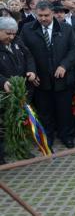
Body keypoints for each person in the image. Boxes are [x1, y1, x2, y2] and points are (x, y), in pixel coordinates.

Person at [20, 1, 75, 149]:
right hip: (40, 79)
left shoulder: (66, 29)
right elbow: (24, 53)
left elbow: (74, 49)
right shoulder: (27, 30)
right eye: (40, 15)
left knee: (64, 110)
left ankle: (66, 136)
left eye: (46, 15)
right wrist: (32, 71)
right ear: (35, 13)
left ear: (52, 13)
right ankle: (48, 137)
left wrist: (64, 65)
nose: (43, 18)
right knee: (45, 111)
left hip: (62, 78)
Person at [0, 17, 37, 163]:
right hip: (4, 93)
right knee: (3, 124)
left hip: (21, 89)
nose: (11, 36)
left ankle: (20, 149)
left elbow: (29, 56)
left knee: (21, 120)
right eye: (7, 33)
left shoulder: (17, 41)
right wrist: (3, 82)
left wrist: (31, 71)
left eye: (13, 33)